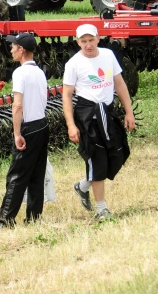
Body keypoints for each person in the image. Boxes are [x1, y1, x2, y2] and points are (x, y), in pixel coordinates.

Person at [62, 24, 136, 221]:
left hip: (108, 114)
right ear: (78, 42)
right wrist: (71, 124)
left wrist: (129, 112)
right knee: (97, 159)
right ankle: (102, 209)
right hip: (87, 118)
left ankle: (83, 186)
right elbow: (67, 96)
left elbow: (119, 84)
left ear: (98, 38)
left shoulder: (108, 56)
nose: (88, 45)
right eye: (83, 41)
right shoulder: (73, 64)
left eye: (91, 40)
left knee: (118, 154)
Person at [0, 33, 49, 228]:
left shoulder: (19, 73)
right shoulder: (40, 72)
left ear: (21, 50)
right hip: (42, 125)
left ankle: (6, 219)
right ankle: (34, 217)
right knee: (37, 174)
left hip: (27, 126)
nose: (11, 49)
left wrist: (17, 133)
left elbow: (17, 105)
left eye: (13, 46)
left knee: (17, 175)